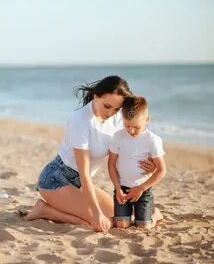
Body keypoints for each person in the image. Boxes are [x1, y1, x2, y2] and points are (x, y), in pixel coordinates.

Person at [24, 76, 157, 233]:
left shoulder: (117, 118)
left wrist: (151, 163)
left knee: (119, 218)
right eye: (107, 106)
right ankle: (45, 210)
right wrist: (96, 213)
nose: (111, 112)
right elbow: (85, 173)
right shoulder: (80, 121)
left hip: (80, 183)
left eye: (116, 108)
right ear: (95, 96)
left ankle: (56, 208)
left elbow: (136, 139)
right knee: (103, 223)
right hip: (55, 180)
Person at [108, 96, 166, 229]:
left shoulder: (152, 140)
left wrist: (141, 188)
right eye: (127, 125)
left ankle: (156, 215)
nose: (131, 131)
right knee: (121, 225)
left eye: (136, 127)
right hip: (122, 189)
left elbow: (162, 171)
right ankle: (123, 215)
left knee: (143, 226)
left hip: (142, 189)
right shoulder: (118, 137)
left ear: (147, 120)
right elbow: (111, 164)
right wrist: (117, 189)